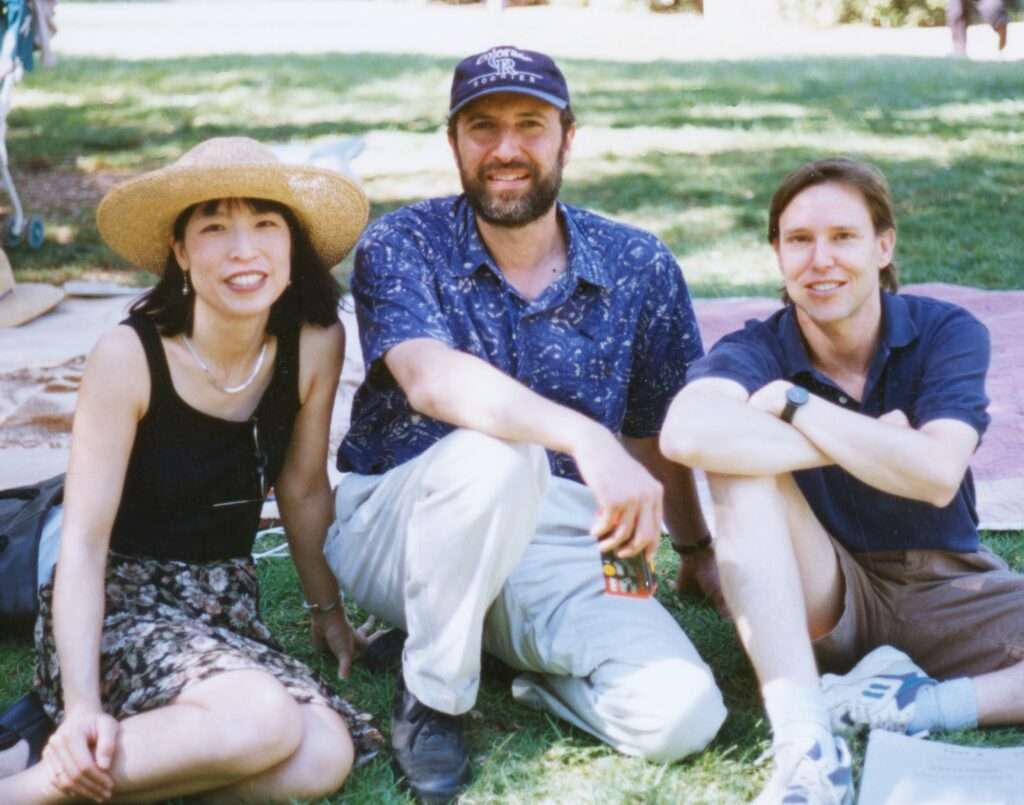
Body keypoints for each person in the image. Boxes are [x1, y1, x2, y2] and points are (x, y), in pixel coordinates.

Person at [325, 45, 726, 803]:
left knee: (683, 717)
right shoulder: (400, 242)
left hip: (567, 538)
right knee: (497, 457)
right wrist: (581, 435)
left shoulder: (638, 262)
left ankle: (499, 651)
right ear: (454, 143)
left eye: (530, 125)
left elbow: (652, 432)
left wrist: (696, 546)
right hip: (403, 523)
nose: (505, 148)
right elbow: (428, 377)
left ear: (568, 136)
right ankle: (433, 699)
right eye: (482, 126)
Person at [0, 136, 382, 805]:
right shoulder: (130, 355)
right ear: (179, 250)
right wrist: (84, 699)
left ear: (292, 243)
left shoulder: (314, 342)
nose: (244, 250)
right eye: (214, 227)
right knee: (262, 718)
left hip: (222, 609)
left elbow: (301, 486)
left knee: (324, 753)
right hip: (121, 605)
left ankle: (101, 764)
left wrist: (329, 612)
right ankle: (34, 785)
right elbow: (83, 544)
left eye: (266, 224)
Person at [661, 156, 1024, 804]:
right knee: (738, 465)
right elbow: (684, 433)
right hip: (821, 589)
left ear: (884, 246)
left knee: (750, 443)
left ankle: (919, 706)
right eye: (799, 239)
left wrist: (802, 408)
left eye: (843, 237)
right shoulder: (759, 348)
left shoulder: (945, 331)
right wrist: (871, 439)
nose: (820, 259)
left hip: (947, 581)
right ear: (777, 253)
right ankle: (805, 744)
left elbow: (937, 474)